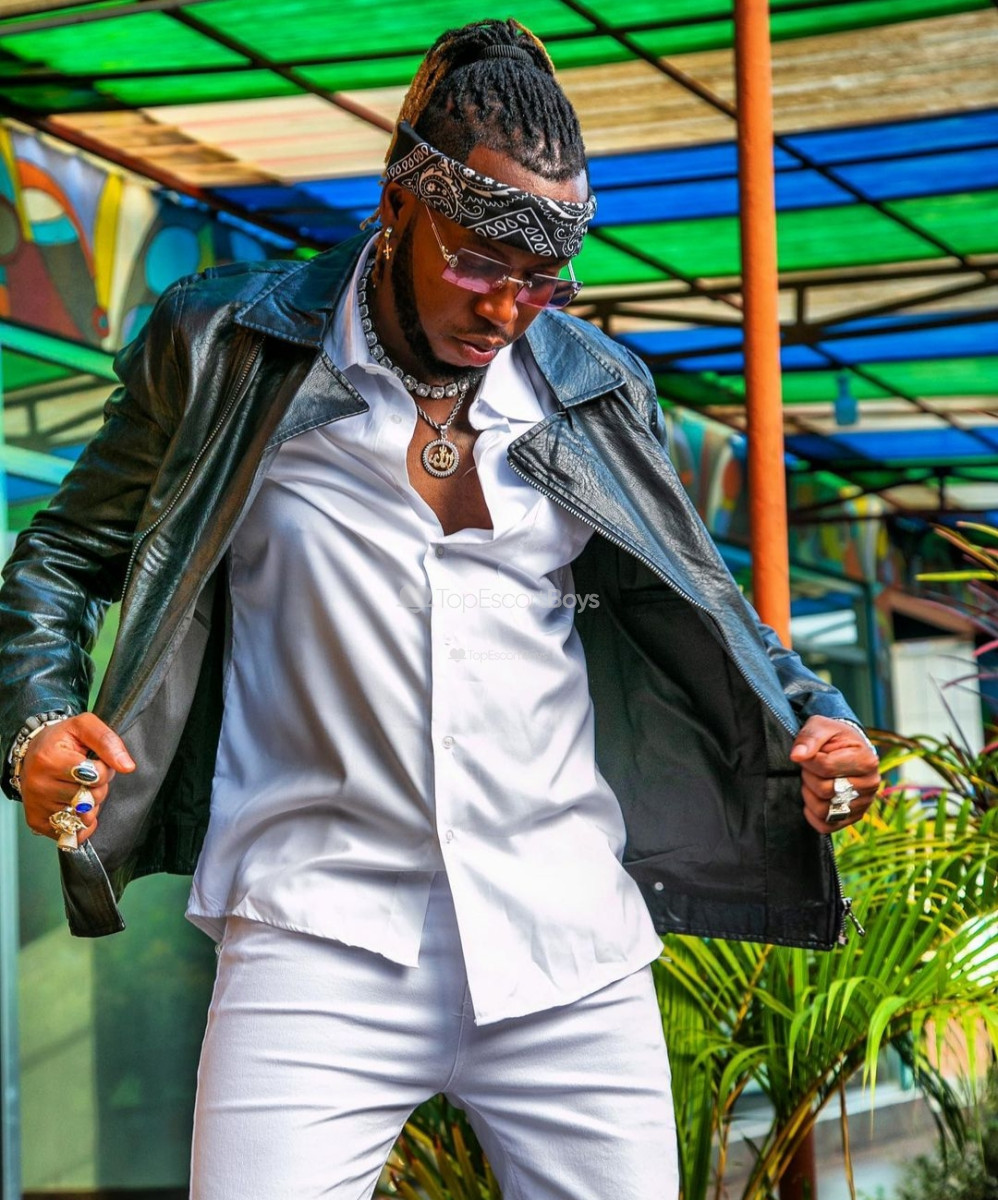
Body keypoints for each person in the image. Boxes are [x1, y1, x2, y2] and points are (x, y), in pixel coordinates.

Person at [0, 18, 880, 1200]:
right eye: (476, 264)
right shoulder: (226, 344)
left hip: (569, 943)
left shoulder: (596, 387)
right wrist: (34, 723)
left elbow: (708, 601)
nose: (507, 309)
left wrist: (817, 715)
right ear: (394, 205)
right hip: (314, 937)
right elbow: (62, 554)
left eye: (541, 281)